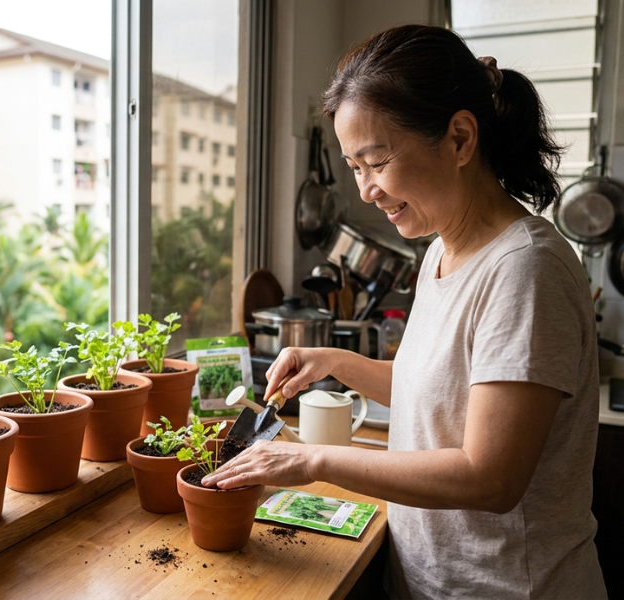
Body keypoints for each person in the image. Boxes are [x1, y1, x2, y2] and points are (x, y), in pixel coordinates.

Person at [202, 24, 607, 599]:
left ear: (460, 139)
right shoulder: (442, 248)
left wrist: (311, 460)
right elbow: (440, 394)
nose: (365, 190)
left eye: (376, 161)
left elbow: (489, 476)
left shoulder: (525, 269)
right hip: (431, 580)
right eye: (353, 167)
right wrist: (334, 361)